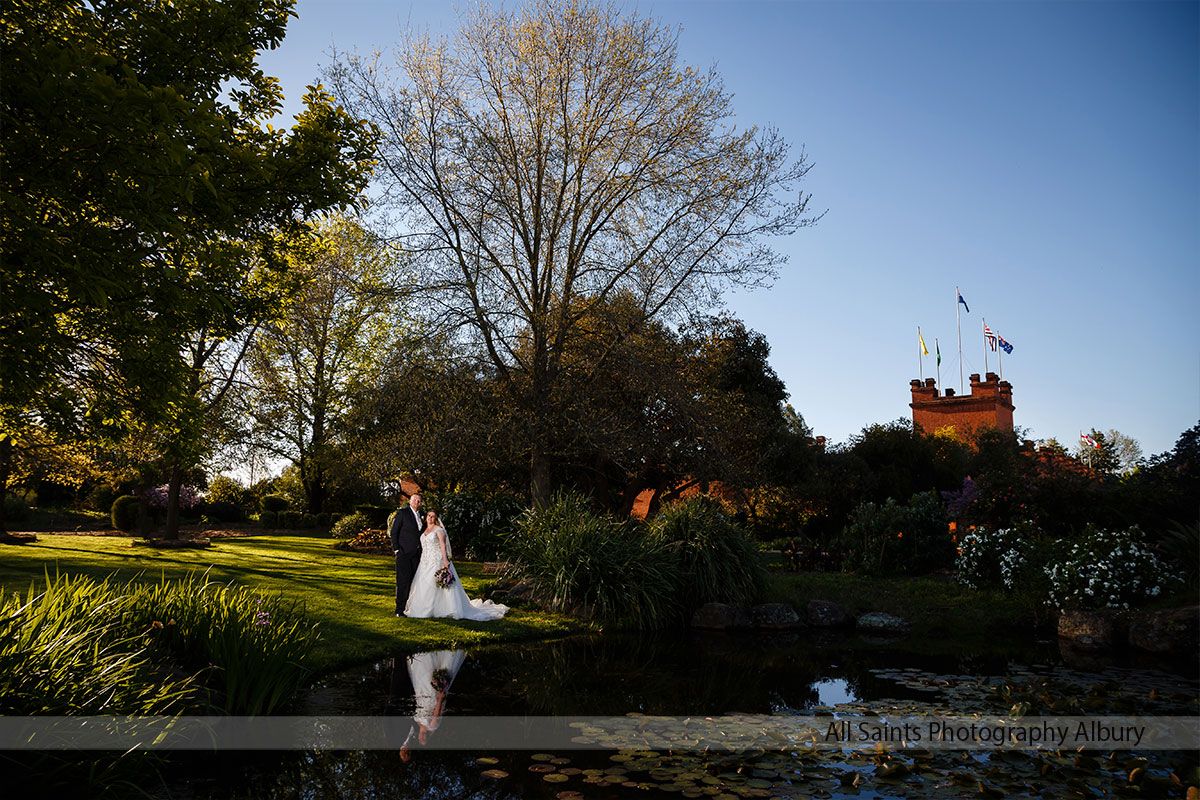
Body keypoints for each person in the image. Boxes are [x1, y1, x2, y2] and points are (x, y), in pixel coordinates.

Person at [404, 510, 509, 620]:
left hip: (437, 560)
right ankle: (423, 608)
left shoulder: (439, 530)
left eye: (433, 516)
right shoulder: (424, 530)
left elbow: (443, 546)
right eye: (429, 515)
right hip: (425, 561)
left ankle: (445, 608)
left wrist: (445, 560)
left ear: (436, 519)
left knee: (437, 584)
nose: (430, 518)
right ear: (426, 517)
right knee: (424, 584)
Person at [390, 492, 426, 617]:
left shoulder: (422, 515)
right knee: (402, 582)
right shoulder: (402, 513)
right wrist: (396, 549)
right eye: (414, 500)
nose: (417, 502)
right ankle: (399, 610)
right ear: (410, 501)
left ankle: (410, 608)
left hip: (417, 555)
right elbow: (394, 532)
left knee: (413, 582)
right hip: (403, 553)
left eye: (419, 501)